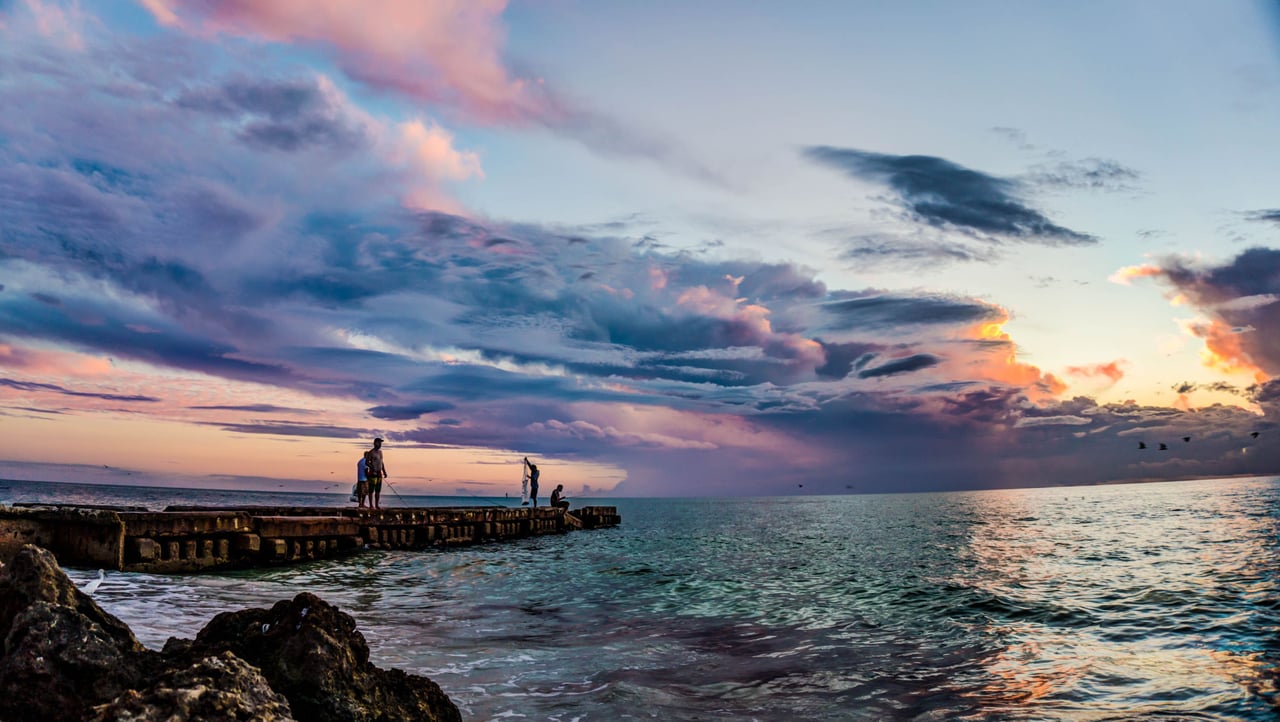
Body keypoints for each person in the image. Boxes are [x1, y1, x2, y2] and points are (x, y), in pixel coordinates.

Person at [367, 437, 388, 509]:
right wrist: (372, 468)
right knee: (371, 490)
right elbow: (367, 462)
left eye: (381, 443)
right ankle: (371, 505)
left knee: (378, 490)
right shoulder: (371, 452)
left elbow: (382, 462)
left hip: (379, 473)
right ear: (375, 443)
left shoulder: (380, 452)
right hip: (373, 473)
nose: (380, 444)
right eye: (379, 442)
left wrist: (384, 471)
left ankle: (376, 505)